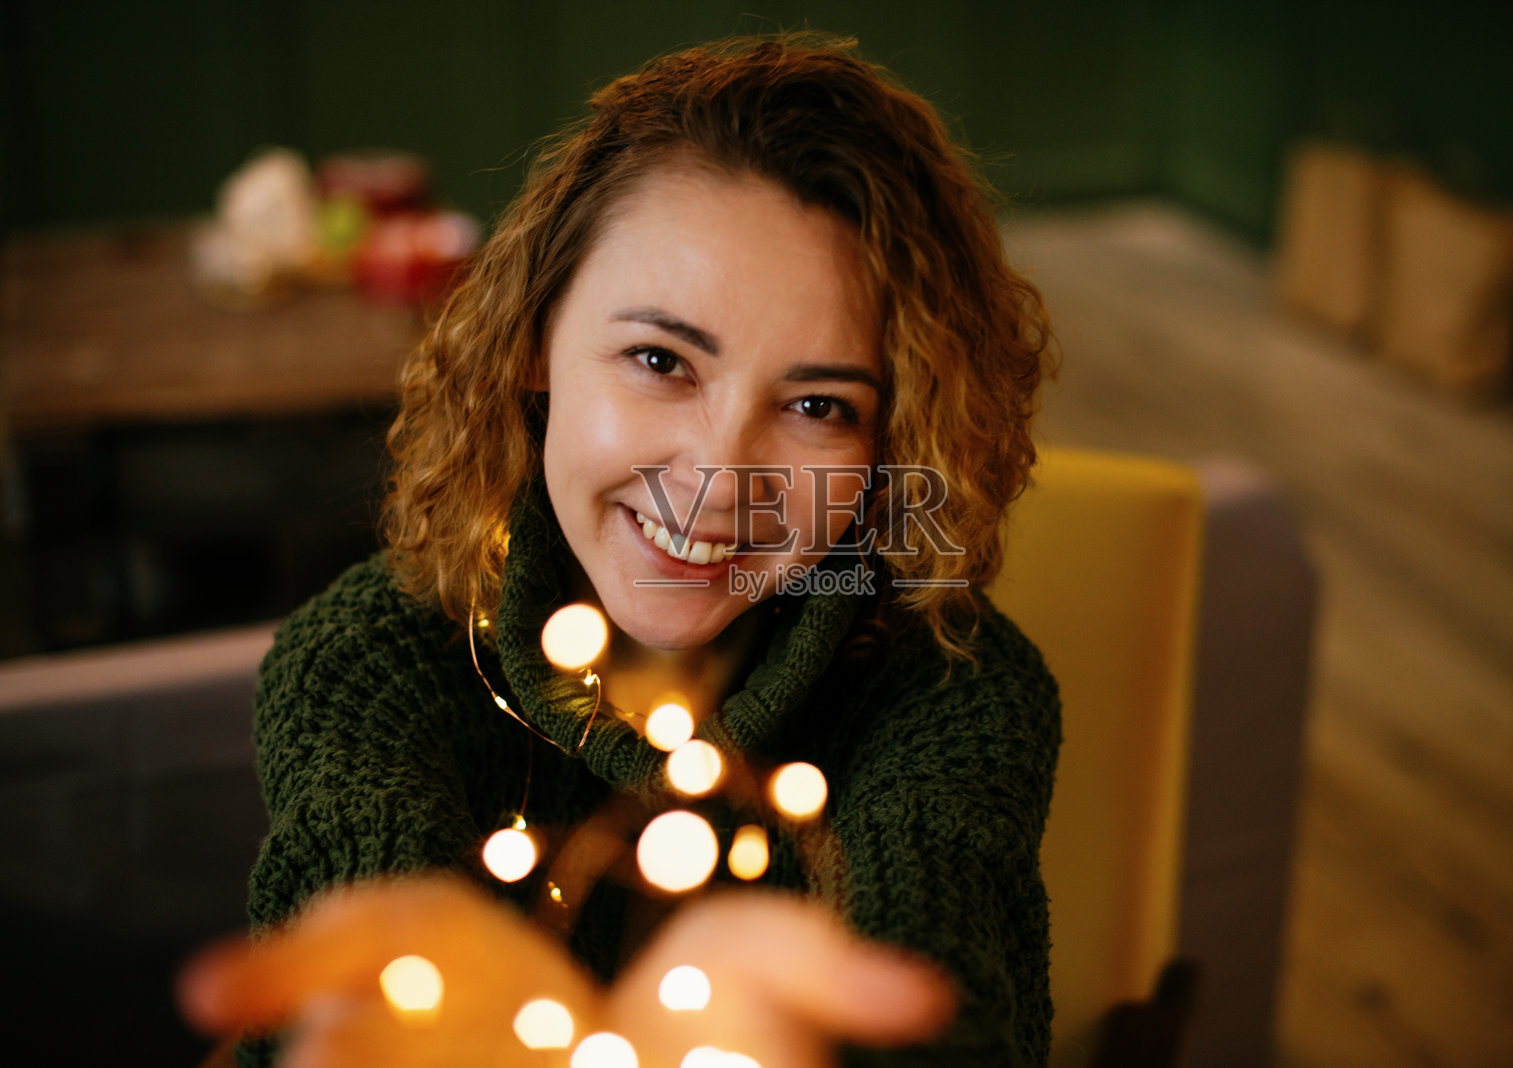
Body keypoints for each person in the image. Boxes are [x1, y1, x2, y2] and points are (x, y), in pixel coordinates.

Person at [181, 32, 1059, 1068]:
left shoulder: (954, 693)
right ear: (533, 340)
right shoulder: (366, 665)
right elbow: (346, 955)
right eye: (660, 360)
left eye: (819, 404)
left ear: (892, 443)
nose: (720, 478)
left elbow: (942, 991)